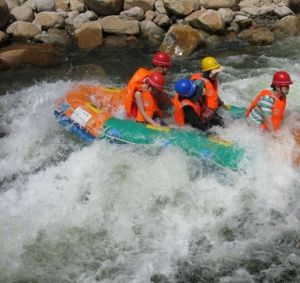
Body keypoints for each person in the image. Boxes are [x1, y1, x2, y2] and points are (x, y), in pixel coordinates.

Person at [124, 51, 171, 118]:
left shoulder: (144, 72)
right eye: (166, 67)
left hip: (128, 102)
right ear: (160, 67)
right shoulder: (150, 81)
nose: (168, 70)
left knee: (164, 96)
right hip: (135, 112)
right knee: (164, 96)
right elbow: (145, 97)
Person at [191, 56, 225, 128]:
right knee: (221, 125)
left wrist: (221, 103)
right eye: (215, 73)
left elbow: (213, 94)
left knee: (223, 123)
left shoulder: (211, 80)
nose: (217, 74)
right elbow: (193, 100)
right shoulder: (199, 83)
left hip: (211, 112)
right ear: (208, 73)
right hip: (204, 115)